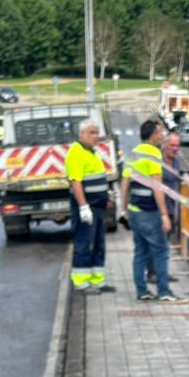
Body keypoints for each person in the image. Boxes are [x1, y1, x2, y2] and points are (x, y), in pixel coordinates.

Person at [121, 118, 184, 304]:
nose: (161, 136)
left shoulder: (132, 154)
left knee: (140, 252)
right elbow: (157, 187)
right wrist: (165, 215)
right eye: (160, 133)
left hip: (135, 211)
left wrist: (124, 209)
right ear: (154, 135)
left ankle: (142, 292)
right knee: (161, 251)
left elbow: (125, 185)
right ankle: (164, 291)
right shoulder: (153, 155)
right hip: (151, 213)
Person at [64, 119, 113, 294]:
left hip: (98, 207)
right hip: (87, 208)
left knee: (99, 244)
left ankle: (97, 280)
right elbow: (76, 182)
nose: (96, 136)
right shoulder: (76, 153)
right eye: (91, 132)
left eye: (97, 132)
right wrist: (83, 207)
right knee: (84, 243)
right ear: (82, 134)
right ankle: (81, 282)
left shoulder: (92, 152)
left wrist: (107, 196)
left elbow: (97, 178)